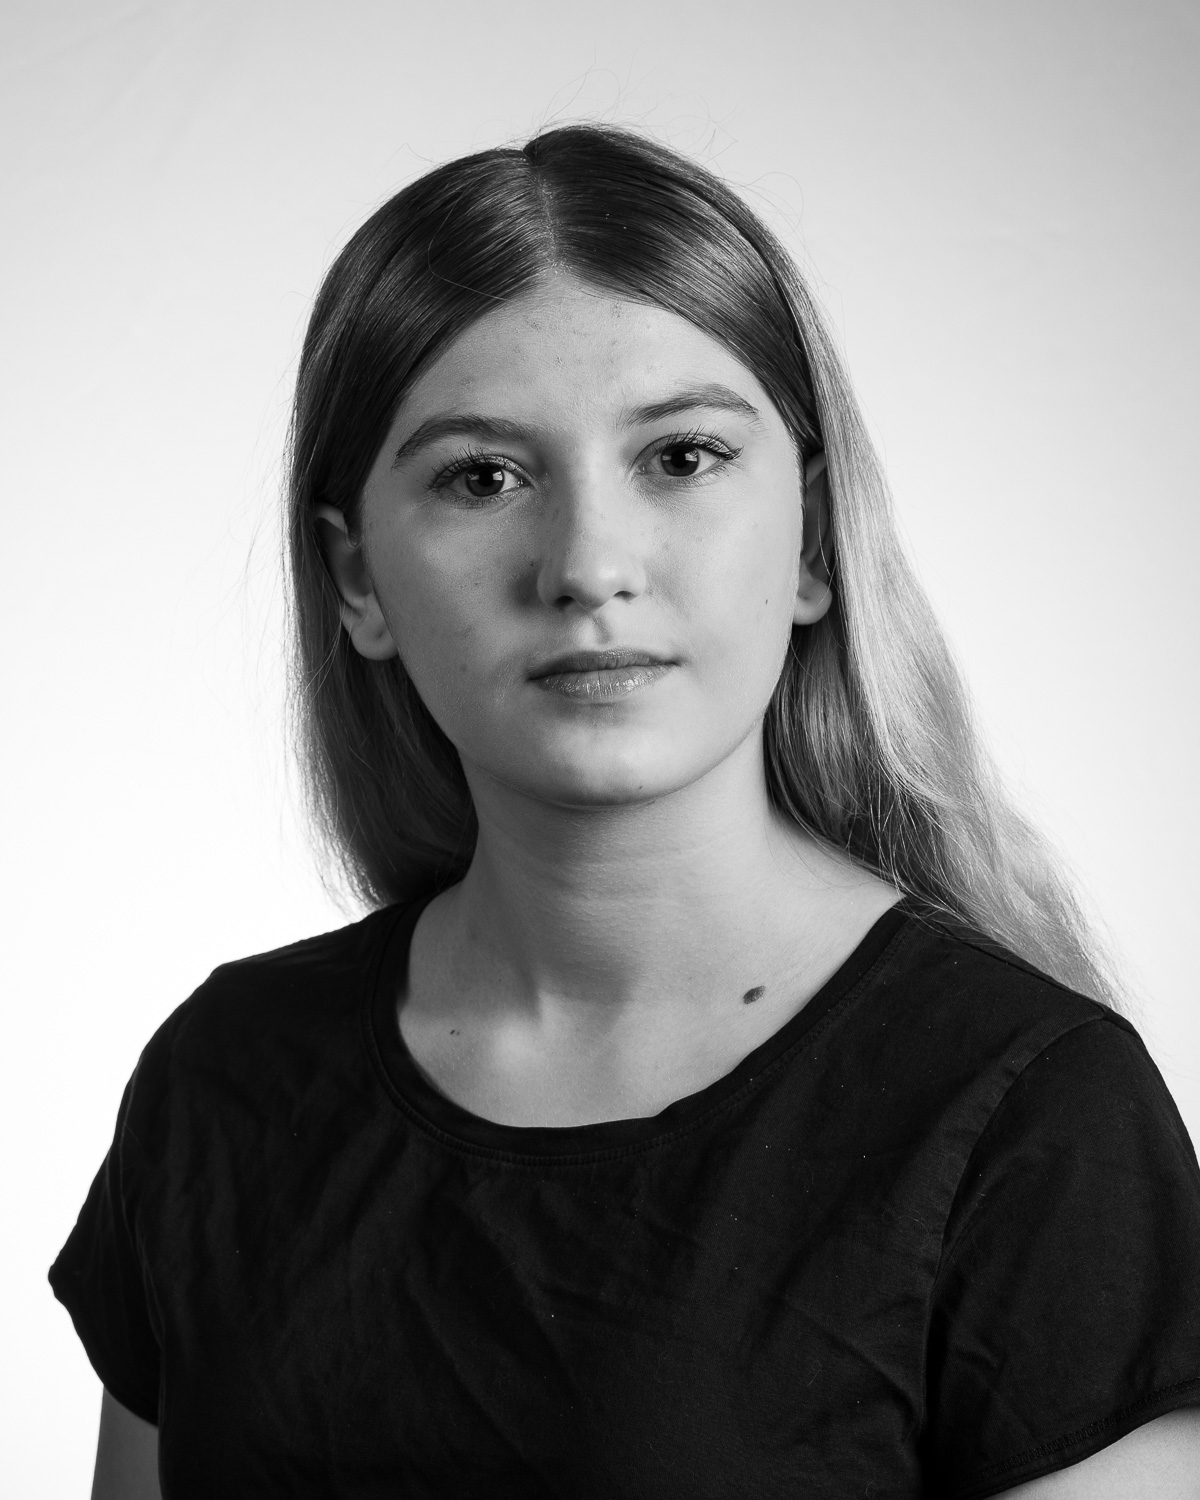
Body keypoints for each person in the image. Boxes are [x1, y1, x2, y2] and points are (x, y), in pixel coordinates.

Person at [52, 124, 1200, 1499]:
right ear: (357, 580)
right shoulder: (223, 1081)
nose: (589, 564)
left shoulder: (1034, 1118)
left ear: (815, 538)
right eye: (483, 477)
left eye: (682, 457)